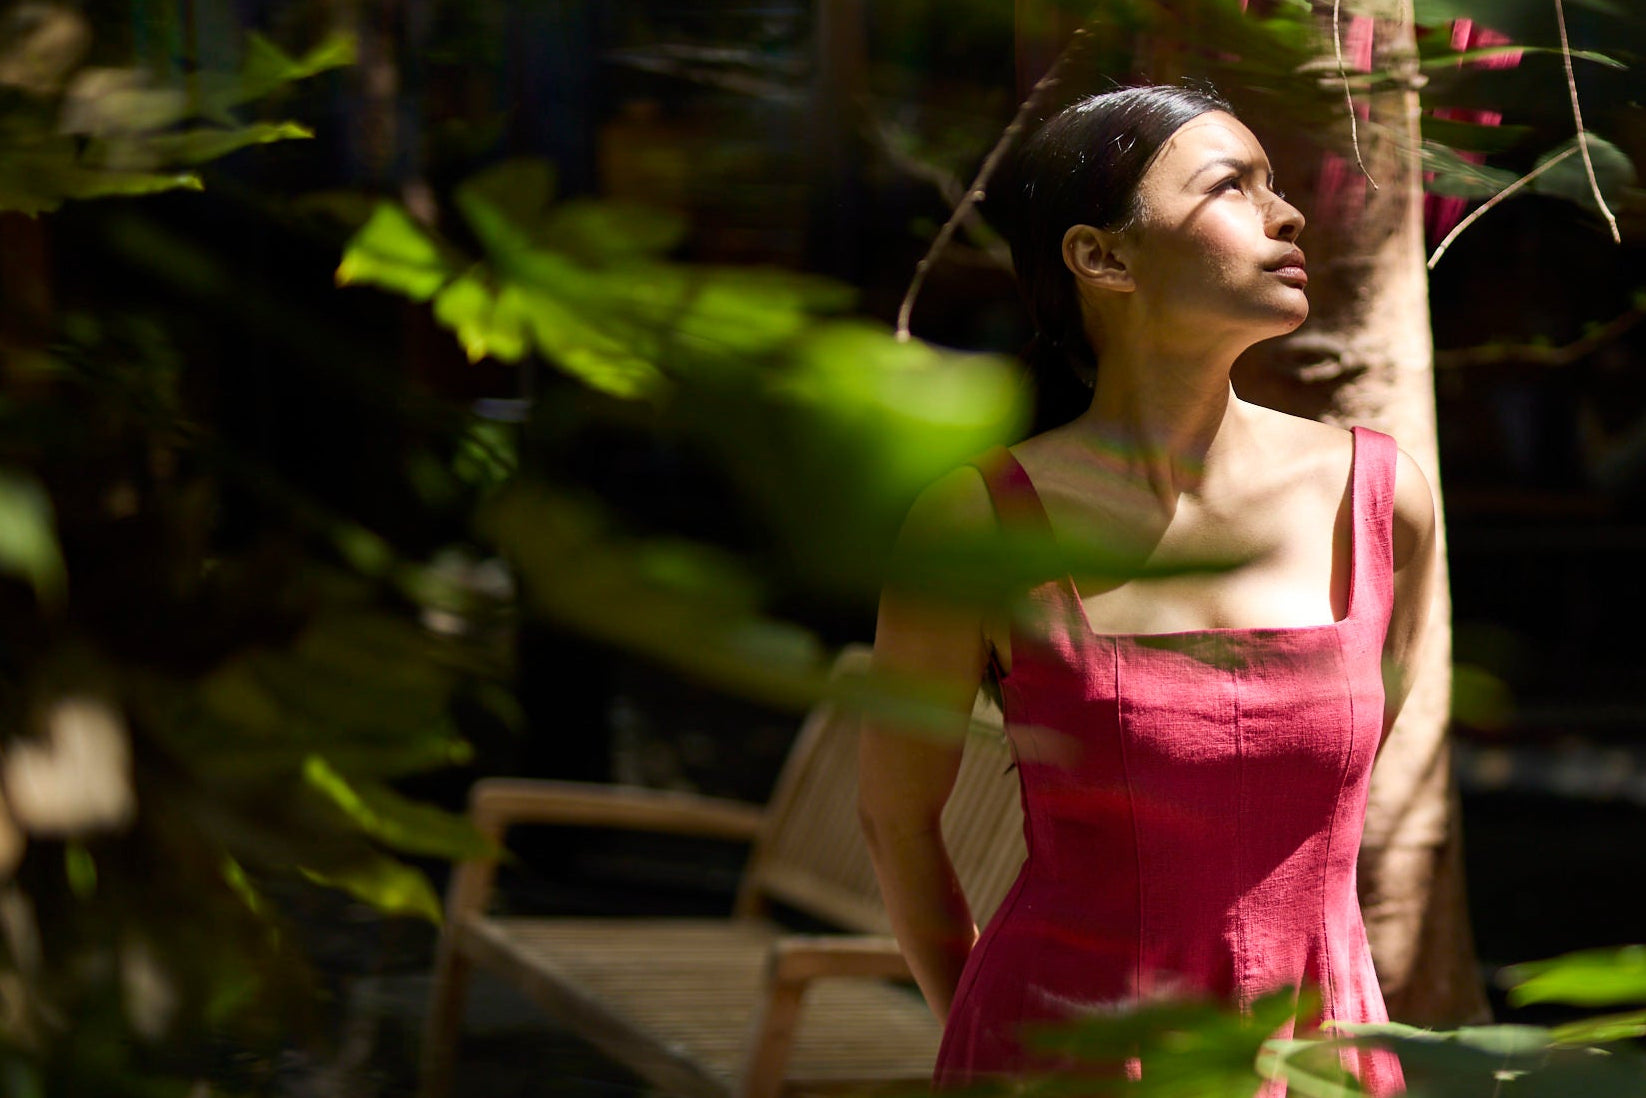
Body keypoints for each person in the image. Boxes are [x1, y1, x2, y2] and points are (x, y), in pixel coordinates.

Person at [857, 84, 1432, 1097]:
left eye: (1277, 186)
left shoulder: (1379, 499)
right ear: (1101, 257)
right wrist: (994, 1036)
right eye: (1231, 186)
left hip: (1317, 1059)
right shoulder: (977, 523)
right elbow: (895, 820)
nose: (1286, 212)